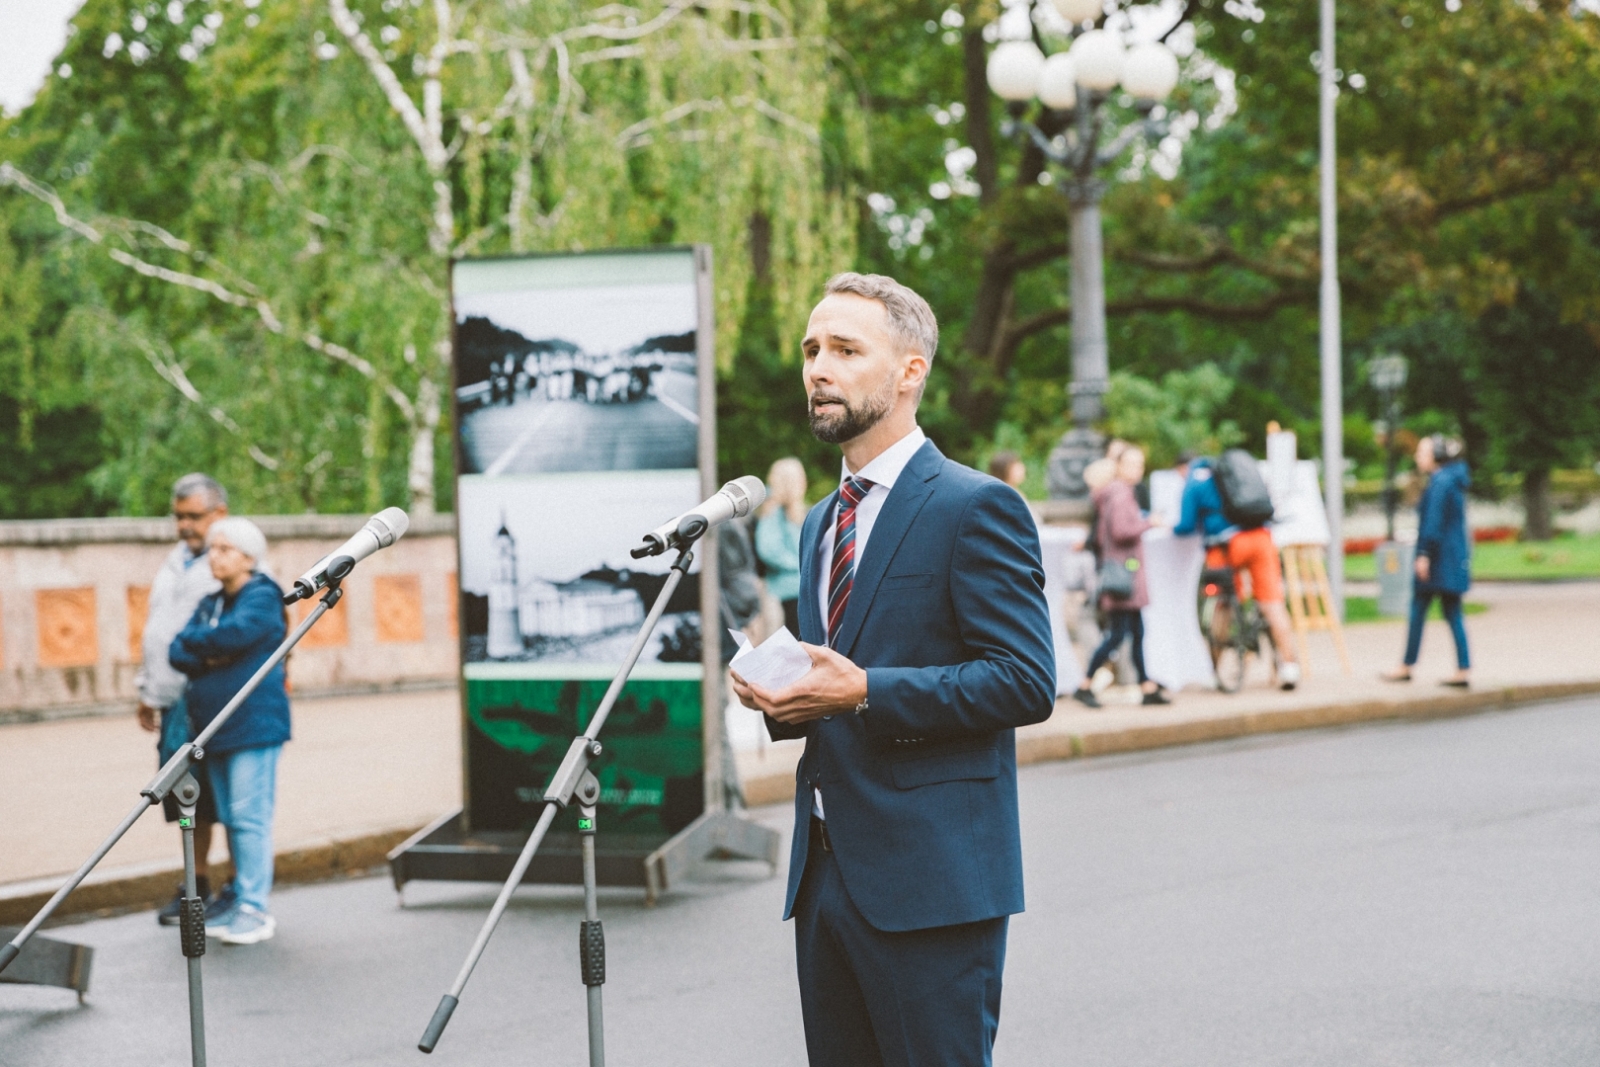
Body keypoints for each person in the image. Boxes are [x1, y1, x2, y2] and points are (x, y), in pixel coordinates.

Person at [730, 272, 1055, 1067]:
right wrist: (785, 696)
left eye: (845, 348)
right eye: (811, 349)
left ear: (910, 371)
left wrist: (867, 689)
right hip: (825, 876)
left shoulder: (976, 506)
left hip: (932, 882)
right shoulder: (817, 522)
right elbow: (836, 676)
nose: (818, 368)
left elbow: (1024, 678)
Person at [170, 517, 291, 946]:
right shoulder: (211, 601)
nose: (213, 557)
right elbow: (177, 648)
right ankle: (242, 899)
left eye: (224, 549)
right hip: (214, 729)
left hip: (253, 725)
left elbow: (237, 637)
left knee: (248, 818)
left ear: (248, 557)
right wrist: (213, 649)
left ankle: (255, 908)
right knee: (230, 817)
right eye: (213, 549)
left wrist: (211, 646)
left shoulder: (262, 596)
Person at [136, 473, 229, 926]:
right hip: (170, 700)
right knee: (181, 799)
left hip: (206, 704)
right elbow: (156, 627)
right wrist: (145, 690)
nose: (184, 526)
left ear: (220, 515)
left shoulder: (231, 559)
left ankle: (216, 884)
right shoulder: (175, 562)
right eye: (179, 517)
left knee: (208, 797)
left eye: (194, 516)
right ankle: (198, 883)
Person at [1173, 453, 1302, 691]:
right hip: (1261, 539)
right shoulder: (1233, 471)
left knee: (1222, 606)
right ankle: (1290, 667)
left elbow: (1185, 526)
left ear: (1182, 468)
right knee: (1273, 604)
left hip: (1226, 549)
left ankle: (1212, 671)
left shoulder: (1194, 481)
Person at [1075, 446, 1170, 708]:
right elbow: (1120, 530)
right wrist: (1150, 522)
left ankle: (1146, 686)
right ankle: (1085, 684)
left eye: (1140, 464)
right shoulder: (1119, 493)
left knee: (1137, 631)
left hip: (1125, 573)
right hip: (1124, 576)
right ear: (1119, 466)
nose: (1137, 469)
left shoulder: (1117, 492)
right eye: (1132, 464)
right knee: (1118, 635)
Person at [1384, 435, 1472, 686]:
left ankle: (1406, 665)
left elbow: (1432, 523)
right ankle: (1462, 668)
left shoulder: (1440, 482)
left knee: (1419, 610)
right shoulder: (1453, 479)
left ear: (1436, 456)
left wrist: (1424, 554)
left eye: (1422, 453)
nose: (1417, 457)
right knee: (1452, 612)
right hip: (1452, 557)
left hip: (1438, 559)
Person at [756, 456, 808, 636]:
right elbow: (768, 549)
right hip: (783, 594)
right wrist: (799, 565)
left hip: (803, 592)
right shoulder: (772, 511)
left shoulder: (800, 511)